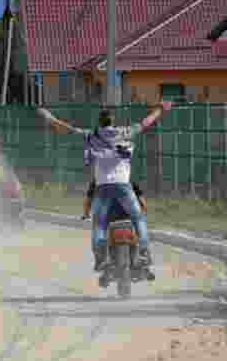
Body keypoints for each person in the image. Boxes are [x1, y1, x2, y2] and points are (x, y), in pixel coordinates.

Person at [37, 101, 173, 271]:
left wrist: (49, 117)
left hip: (102, 188)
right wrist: (160, 110)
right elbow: (146, 123)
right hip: (124, 187)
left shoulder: (91, 135)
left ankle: (101, 258)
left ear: (99, 122)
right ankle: (144, 252)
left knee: (98, 224)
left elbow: (68, 129)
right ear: (112, 121)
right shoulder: (125, 132)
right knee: (138, 218)